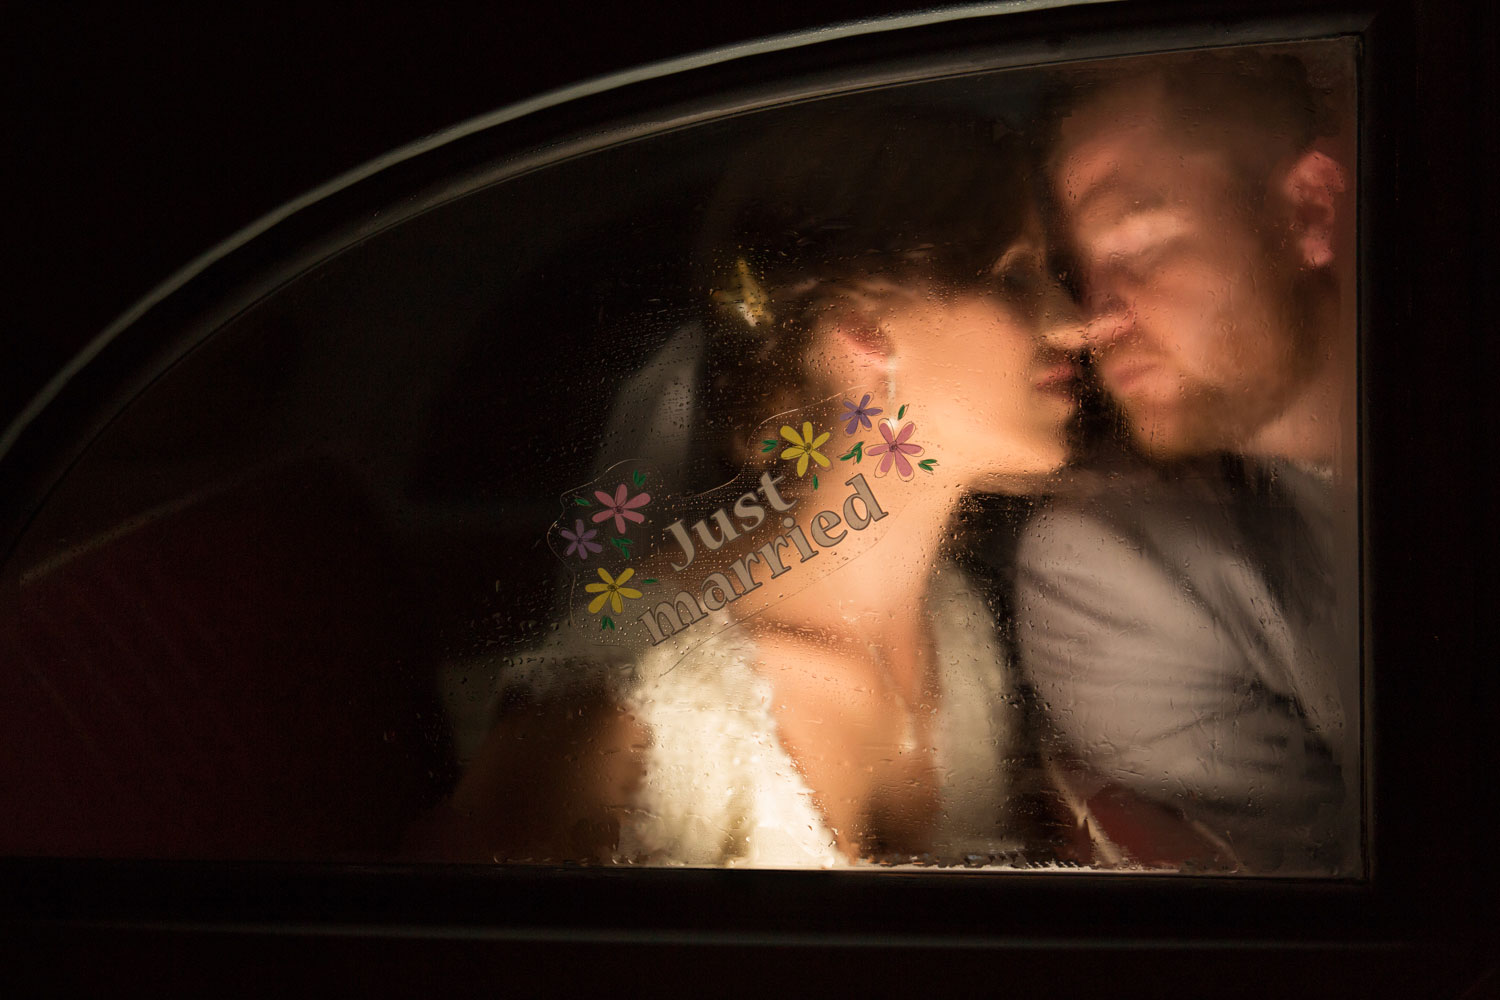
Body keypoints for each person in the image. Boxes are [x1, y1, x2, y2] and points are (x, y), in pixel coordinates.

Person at [421, 106, 1085, 867]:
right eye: (1015, 275)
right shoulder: (632, 703)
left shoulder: (960, 635)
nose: (1073, 323)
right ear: (864, 329)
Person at [1013, 47, 1360, 873]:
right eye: (1078, 271)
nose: (1095, 320)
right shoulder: (1133, 566)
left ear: (1309, 211)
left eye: (1135, 246)